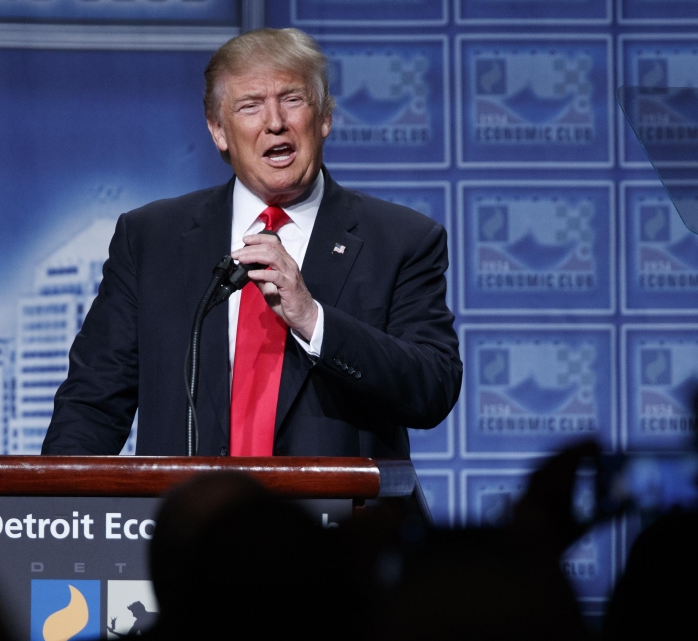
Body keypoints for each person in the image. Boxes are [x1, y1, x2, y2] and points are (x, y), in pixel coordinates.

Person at [42, 28, 461, 458]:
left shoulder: (401, 239)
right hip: (192, 519)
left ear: (325, 118)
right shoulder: (151, 239)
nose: (274, 122)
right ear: (219, 131)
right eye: (250, 106)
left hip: (340, 519)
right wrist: (50, 514)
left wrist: (314, 320)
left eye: (293, 99)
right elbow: (91, 405)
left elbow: (433, 389)